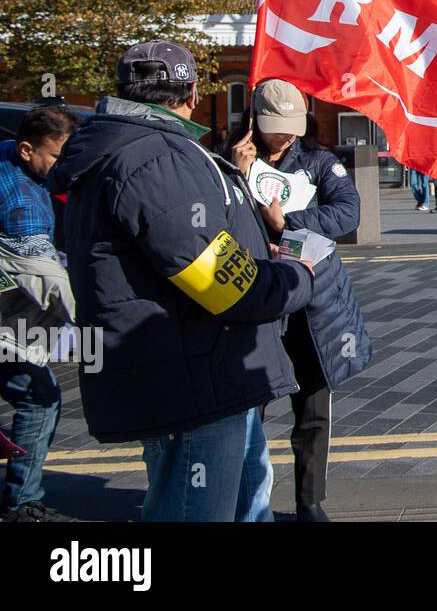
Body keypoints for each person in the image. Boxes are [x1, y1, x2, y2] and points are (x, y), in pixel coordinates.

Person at [46, 42, 317, 522]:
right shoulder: (156, 158)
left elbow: (184, 251)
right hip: (193, 377)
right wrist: (294, 276)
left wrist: (258, 252)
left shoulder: (125, 149)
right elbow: (221, 281)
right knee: (193, 510)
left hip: (185, 366)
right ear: (192, 92)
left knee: (244, 499)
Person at [228, 80, 373, 522]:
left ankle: (309, 501)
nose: (284, 136)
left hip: (313, 302)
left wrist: (286, 221)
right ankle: (245, 500)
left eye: (291, 126)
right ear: (253, 120)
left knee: (313, 409)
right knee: (247, 410)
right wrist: (235, 172)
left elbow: (348, 213)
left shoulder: (319, 161)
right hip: (255, 300)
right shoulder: (227, 161)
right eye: (274, 127)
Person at [0, 105, 79, 522]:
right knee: (40, 397)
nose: (60, 165)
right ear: (28, 148)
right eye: (54, 156)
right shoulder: (21, 202)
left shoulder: (7, 155)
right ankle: (20, 503)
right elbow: (47, 279)